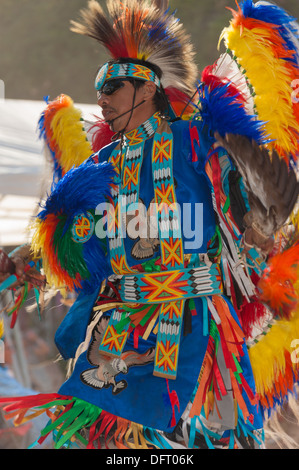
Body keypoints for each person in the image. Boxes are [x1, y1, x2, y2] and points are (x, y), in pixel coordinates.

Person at [0, 0, 298, 450]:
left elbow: (259, 202)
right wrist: (28, 257)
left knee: (199, 440)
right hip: (121, 325)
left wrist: (261, 218)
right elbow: (74, 240)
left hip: (195, 319)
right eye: (98, 87)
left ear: (147, 88)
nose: (101, 97)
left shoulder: (197, 143)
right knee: (109, 441)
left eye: (112, 85)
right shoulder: (99, 168)